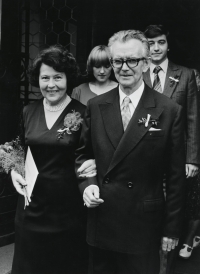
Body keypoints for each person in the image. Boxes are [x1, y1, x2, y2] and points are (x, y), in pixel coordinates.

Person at [75, 30, 186, 274]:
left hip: (143, 225)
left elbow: (176, 179)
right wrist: (88, 186)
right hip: (102, 219)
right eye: (118, 61)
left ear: (146, 63)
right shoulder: (95, 105)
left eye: (132, 60)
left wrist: (171, 229)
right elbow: (83, 155)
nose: (124, 67)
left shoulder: (169, 110)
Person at [10, 45, 96, 274]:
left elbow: (90, 155)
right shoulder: (28, 111)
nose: (51, 84)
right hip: (31, 209)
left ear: (68, 78)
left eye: (58, 77)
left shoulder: (83, 112)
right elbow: (17, 147)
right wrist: (14, 170)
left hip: (68, 211)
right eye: (45, 78)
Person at [143, 25, 200, 264]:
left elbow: (193, 117)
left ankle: (164, 266)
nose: (156, 48)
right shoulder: (137, 71)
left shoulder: (185, 74)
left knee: (170, 215)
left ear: (168, 44)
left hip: (175, 157)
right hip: (143, 156)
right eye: (151, 43)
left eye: (161, 42)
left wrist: (192, 158)